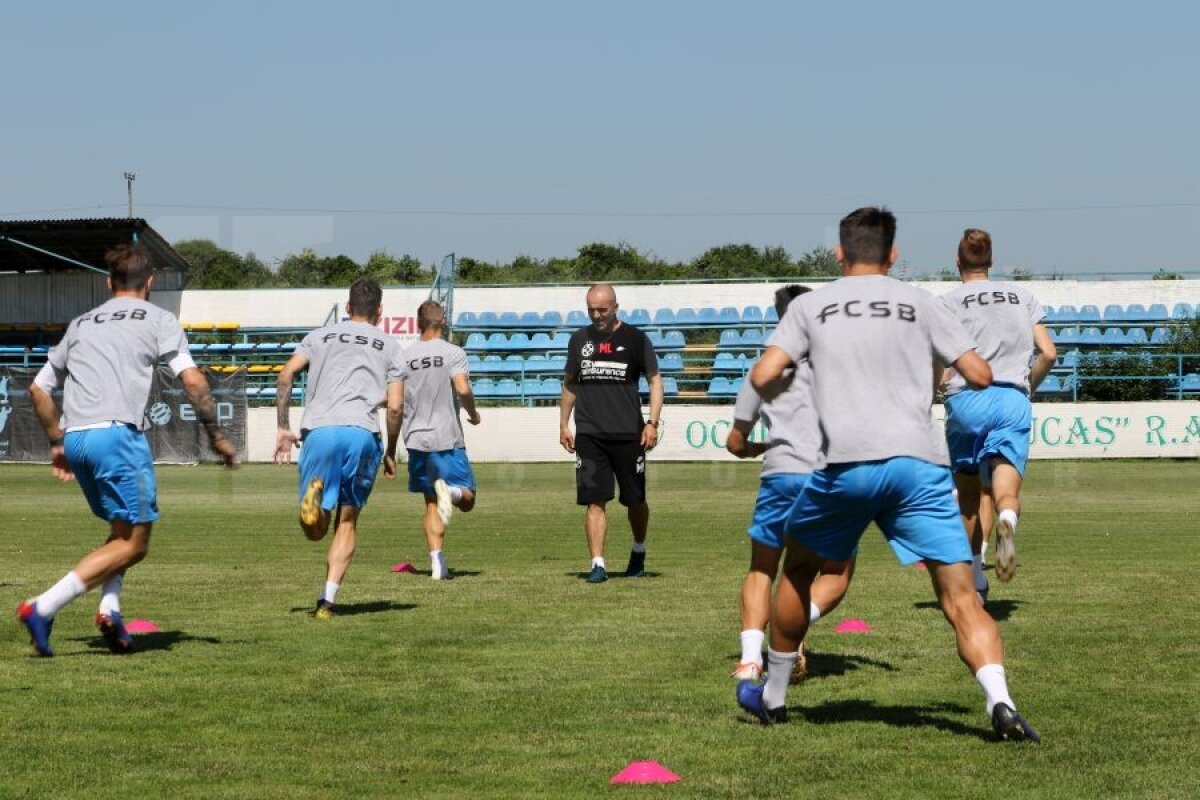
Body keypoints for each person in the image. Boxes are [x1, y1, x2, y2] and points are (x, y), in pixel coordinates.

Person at [742, 207, 1040, 742]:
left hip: (845, 462)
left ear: (839, 253)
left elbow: (764, 375)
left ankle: (775, 695)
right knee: (960, 596)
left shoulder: (810, 305)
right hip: (918, 464)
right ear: (893, 255)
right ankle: (1000, 700)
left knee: (798, 570)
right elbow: (979, 374)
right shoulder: (922, 302)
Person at [20, 243, 237, 657]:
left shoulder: (81, 323)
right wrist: (215, 434)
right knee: (135, 544)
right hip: (117, 437)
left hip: (78, 437)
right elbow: (193, 380)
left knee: (121, 531)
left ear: (109, 283)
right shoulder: (158, 319)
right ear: (149, 282)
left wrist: (56, 443)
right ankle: (41, 607)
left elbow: (38, 389)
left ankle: (110, 610)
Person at [726, 285, 856, 683]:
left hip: (780, 475)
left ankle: (750, 660)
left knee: (762, 568)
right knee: (835, 572)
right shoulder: (841, 365)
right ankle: (793, 627)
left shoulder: (764, 367)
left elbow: (734, 442)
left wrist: (757, 448)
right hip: (829, 476)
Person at [275, 277, 403, 619]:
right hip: (361, 433)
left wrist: (283, 427)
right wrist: (391, 450)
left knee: (315, 531)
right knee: (347, 520)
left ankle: (313, 504)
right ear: (379, 311)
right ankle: (327, 602)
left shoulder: (318, 336)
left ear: (347, 307)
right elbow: (395, 407)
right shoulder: (390, 346)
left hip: (319, 431)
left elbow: (285, 375)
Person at [941, 229, 1057, 599]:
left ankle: (976, 578)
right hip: (1011, 400)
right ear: (990, 261)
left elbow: (939, 361)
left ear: (957, 262)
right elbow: (1049, 353)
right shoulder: (1022, 296)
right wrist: (1027, 387)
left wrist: (937, 389)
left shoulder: (948, 302)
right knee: (1004, 493)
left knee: (968, 499)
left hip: (967, 400)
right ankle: (1007, 519)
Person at [559, 283, 663, 583]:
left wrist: (652, 422)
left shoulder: (636, 339)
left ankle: (638, 549)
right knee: (595, 500)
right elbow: (570, 384)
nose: (596, 315)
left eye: (602, 310)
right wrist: (564, 424)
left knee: (635, 500)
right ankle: (598, 565)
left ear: (615, 307)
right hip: (590, 433)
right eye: (591, 309)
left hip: (629, 433)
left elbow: (655, 381)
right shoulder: (579, 340)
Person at [386, 300, 481, 580]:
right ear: (443, 322)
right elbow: (462, 388)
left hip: (417, 440)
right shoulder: (453, 352)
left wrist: (390, 449)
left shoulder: (403, 357)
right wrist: (473, 414)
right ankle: (451, 492)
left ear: (418, 324)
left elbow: (394, 403)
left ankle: (438, 564)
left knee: (430, 503)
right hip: (447, 438)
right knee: (468, 498)